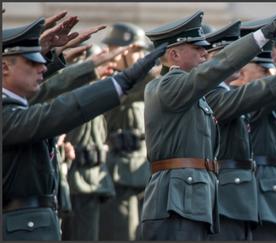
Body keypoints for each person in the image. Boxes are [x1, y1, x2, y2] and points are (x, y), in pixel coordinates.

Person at [139, 4, 276, 240]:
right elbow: (219, 67)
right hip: (175, 200)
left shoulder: (190, 92)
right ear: (174, 55)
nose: (204, 53)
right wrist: (263, 35)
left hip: (195, 198)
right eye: (196, 48)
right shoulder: (167, 85)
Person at [2, 17, 165, 240]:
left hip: (42, 216)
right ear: (4, 67)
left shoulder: (16, 106)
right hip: (22, 223)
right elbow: (61, 109)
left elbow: (48, 93)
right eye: (32, 62)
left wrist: (53, 59)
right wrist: (121, 81)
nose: (42, 66)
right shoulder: (7, 114)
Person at [97, 22, 156, 241]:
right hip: (116, 173)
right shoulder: (106, 81)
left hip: (143, 172)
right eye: (134, 50)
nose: (140, 56)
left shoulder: (150, 80)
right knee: (120, 232)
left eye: (141, 50)